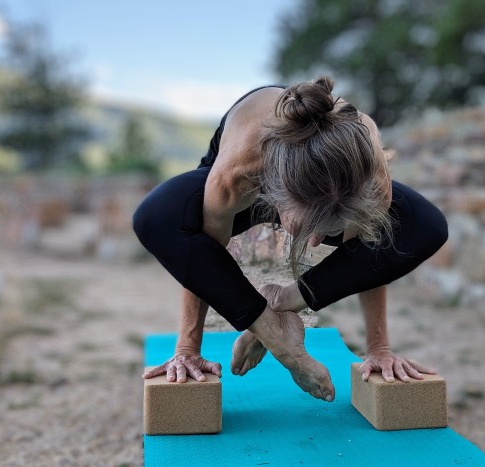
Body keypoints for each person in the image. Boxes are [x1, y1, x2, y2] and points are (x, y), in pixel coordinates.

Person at [133, 77, 448, 402]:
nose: (316, 243)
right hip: (255, 160)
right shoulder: (238, 172)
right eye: (307, 229)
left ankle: (282, 302)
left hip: (331, 175)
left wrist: (379, 348)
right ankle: (275, 332)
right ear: (275, 199)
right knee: (157, 218)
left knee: (426, 227)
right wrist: (187, 349)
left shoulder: (371, 174)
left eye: (328, 230)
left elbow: (365, 257)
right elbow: (203, 255)